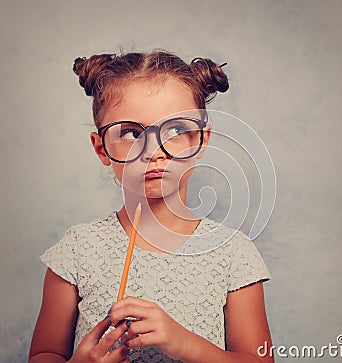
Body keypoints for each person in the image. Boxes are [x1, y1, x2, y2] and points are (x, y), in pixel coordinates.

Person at [29, 50, 274, 363]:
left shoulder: (233, 254)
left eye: (174, 130)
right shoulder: (77, 250)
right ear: (101, 148)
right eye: (132, 132)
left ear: (201, 140)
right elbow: (43, 354)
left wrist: (183, 342)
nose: (154, 151)